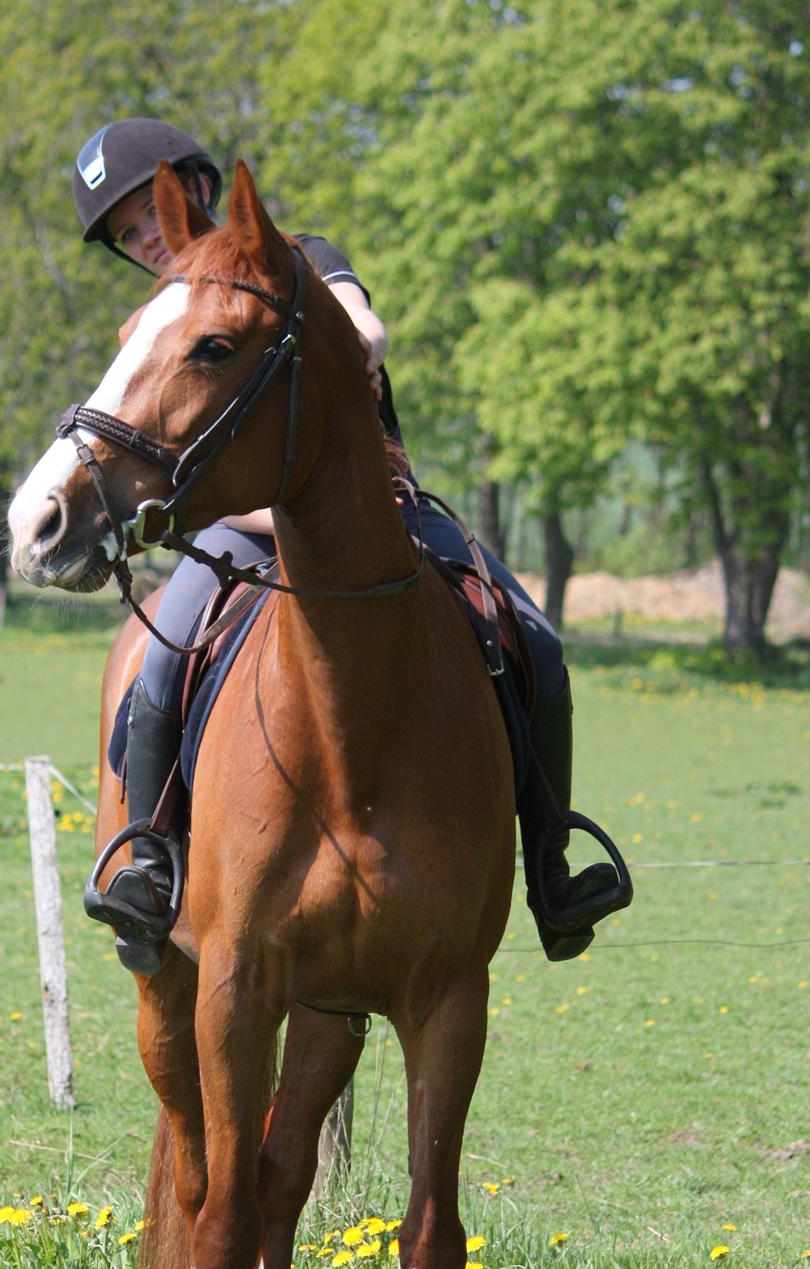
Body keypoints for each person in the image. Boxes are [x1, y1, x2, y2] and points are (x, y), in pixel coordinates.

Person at [71, 118, 631, 973]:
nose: (145, 237)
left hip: (379, 507)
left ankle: (552, 862)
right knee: (154, 669)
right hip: (236, 523)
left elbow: (361, 321)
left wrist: (357, 343)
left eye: (150, 212)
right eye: (127, 234)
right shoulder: (165, 319)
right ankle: (149, 864)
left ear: (198, 187)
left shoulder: (299, 258)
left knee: (534, 639)